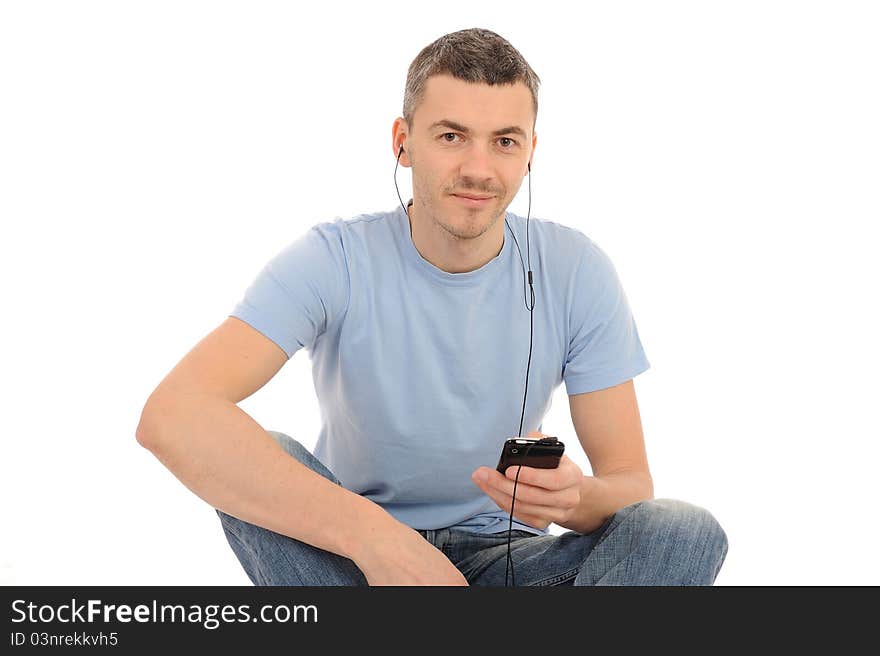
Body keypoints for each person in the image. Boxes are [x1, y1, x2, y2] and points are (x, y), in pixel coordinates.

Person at [136, 27, 728, 586]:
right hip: (357, 560)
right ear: (403, 143)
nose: (478, 169)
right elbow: (172, 416)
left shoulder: (576, 268)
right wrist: (374, 540)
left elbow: (631, 486)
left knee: (683, 530)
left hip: (513, 560)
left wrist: (575, 500)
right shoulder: (331, 258)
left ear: (530, 153)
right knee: (258, 455)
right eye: (451, 136)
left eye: (504, 142)